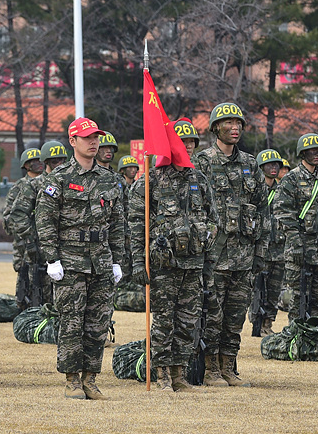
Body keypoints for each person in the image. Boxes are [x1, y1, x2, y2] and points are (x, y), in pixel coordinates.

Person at [35, 117, 125, 400]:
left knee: (98, 322)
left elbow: (118, 223)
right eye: (87, 137)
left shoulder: (110, 179)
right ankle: (72, 379)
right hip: (70, 260)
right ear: (72, 141)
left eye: (96, 137)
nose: (93, 142)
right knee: (72, 322)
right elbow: (45, 220)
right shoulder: (59, 178)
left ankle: (91, 378)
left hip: (101, 260)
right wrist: (52, 259)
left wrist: (117, 260)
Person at [128, 118, 217, 392]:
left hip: (193, 263)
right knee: (164, 320)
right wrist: (138, 261)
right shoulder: (150, 181)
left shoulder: (199, 179)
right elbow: (135, 224)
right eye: (183, 142)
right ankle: (163, 374)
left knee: (188, 320)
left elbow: (213, 220)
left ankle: (180, 373)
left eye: (192, 142)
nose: (188, 147)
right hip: (163, 264)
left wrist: (208, 256)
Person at [193, 102, 266, 387]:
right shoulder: (202, 163)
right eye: (228, 123)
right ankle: (210, 369)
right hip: (214, 256)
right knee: (213, 315)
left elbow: (262, 211)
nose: (234, 128)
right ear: (215, 128)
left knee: (236, 316)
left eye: (238, 123)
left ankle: (229, 366)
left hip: (244, 255)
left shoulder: (250, 165)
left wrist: (260, 252)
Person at [273, 134, 318, 322]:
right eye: (312, 151)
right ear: (302, 153)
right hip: (299, 249)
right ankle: (296, 345)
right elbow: (282, 211)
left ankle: (313, 343)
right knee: (298, 302)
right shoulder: (291, 179)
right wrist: (295, 241)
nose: (317, 154)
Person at [6, 140, 67, 307]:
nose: (60, 165)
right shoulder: (35, 185)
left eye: (63, 160)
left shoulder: (70, 184)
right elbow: (17, 214)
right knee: (38, 297)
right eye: (55, 161)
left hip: (67, 249)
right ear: (46, 162)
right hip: (40, 251)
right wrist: (29, 240)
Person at [3, 148, 43, 306]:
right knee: (24, 274)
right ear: (25, 166)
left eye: (40, 160)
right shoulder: (19, 187)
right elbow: (8, 216)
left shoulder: (48, 183)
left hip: (43, 239)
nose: (37, 164)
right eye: (33, 162)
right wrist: (23, 228)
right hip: (23, 242)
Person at [252, 149, 285, 335]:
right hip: (260, 248)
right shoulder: (256, 190)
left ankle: (268, 324)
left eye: (276, 165)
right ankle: (256, 321)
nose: (274, 168)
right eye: (269, 165)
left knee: (274, 290)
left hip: (278, 249)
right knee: (257, 289)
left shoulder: (281, 190)